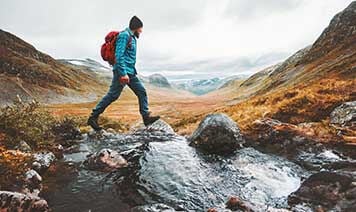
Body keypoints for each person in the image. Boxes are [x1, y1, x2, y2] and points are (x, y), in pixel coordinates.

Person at [88, 16, 160, 131]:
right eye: (141, 29)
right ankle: (93, 117)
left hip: (130, 72)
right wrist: (122, 73)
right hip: (122, 72)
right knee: (113, 95)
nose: (141, 31)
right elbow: (119, 55)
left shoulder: (132, 37)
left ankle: (146, 117)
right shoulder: (124, 36)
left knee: (141, 91)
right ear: (136, 28)